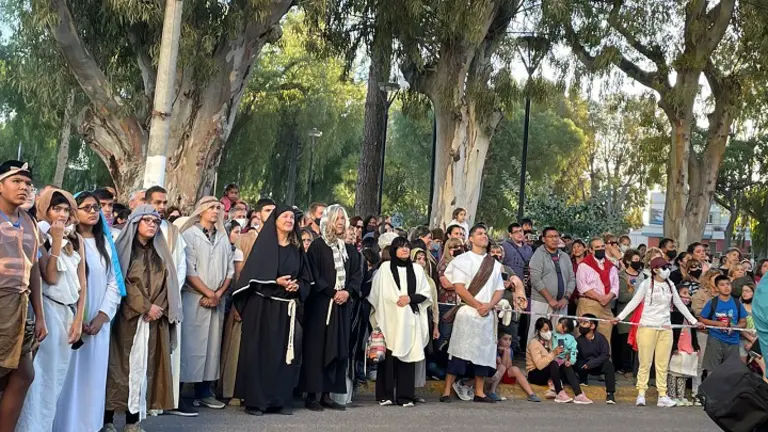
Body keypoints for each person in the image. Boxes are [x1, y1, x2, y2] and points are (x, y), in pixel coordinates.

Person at [104, 205, 181, 431]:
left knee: (143, 369)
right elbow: (122, 281)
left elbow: (169, 283)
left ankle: (132, 422)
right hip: (127, 320)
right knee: (118, 368)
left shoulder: (160, 252)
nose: (152, 225)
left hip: (153, 321)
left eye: (156, 221)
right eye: (147, 220)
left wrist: (158, 308)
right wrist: (145, 306)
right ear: (135, 222)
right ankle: (107, 420)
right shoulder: (124, 249)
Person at [16, 188, 87, 432]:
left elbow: (82, 283)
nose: (62, 215)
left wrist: (78, 319)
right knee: (40, 378)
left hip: (68, 313)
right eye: (56, 209)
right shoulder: (39, 233)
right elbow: (51, 276)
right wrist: (56, 241)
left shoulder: (75, 239)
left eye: (66, 209)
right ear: (45, 209)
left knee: (56, 379)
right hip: (48, 309)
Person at [53, 191, 124, 431]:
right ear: (75, 211)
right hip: (70, 320)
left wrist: (102, 316)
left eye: (96, 208)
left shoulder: (106, 243)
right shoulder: (68, 240)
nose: (93, 212)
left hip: (98, 322)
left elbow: (114, 282)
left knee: (92, 379)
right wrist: (77, 317)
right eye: (87, 207)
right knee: (67, 378)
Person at [231, 206, 312, 416]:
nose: (289, 220)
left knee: (283, 355)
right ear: (275, 220)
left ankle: (279, 400)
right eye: (285, 216)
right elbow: (252, 276)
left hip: (286, 309)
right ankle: (256, 402)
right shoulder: (264, 247)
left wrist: (297, 286)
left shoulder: (296, 249)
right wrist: (275, 281)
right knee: (260, 353)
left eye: (292, 217)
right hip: (263, 307)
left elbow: (306, 278)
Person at [613, 257, 702, 408]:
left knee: (662, 364)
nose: (666, 270)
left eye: (667, 267)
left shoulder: (670, 284)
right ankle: (641, 393)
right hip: (647, 326)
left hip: (665, 328)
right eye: (663, 268)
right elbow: (634, 302)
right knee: (645, 362)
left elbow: (679, 304)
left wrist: (693, 321)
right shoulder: (646, 284)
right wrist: (620, 317)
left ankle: (662, 395)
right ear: (655, 270)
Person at [0, 161, 46, 432]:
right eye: (16, 181)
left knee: (24, 374)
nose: (24, 187)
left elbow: (35, 270)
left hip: (21, 306)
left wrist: (40, 315)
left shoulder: (29, 222)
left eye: (27, 183)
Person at [302, 205, 362, 411]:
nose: (340, 223)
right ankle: (312, 395)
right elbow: (313, 274)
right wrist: (331, 292)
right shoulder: (318, 246)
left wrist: (347, 292)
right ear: (328, 221)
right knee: (317, 349)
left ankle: (327, 394)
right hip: (321, 305)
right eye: (337, 219)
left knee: (337, 348)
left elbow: (356, 275)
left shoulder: (349, 249)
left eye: (343, 219)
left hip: (341, 306)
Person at [439, 224, 505, 404]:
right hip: (468, 312)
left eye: (485, 234)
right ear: (471, 239)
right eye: (480, 233)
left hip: (486, 313)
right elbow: (459, 288)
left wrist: (489, 305)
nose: (484, 236)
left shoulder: (494, 264)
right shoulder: (462, 260)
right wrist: (477, 305)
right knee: (459, 350)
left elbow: (500, 289)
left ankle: (479, 392)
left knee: (483, 353)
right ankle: (446, 390)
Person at [178, 197, 233, 410]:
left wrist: (218, 294)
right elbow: (188, 268)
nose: (215, 211)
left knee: (211, 346)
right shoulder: (189, 235)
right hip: (195, 298)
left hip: (216, 299)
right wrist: (208, 293)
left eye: (218, 207)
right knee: (189, 345)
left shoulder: (223, 237)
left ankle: (204, 392)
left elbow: (229, 269)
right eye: (211, 207)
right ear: (201, 210)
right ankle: (179, 394)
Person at [368, 237, 432, 407]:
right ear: (393, 250)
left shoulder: (417, 269)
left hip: (409, 319)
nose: (404, 250)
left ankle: (405, 396)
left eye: (407, 247)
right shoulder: (385, 268)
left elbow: (425, 293)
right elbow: (376, 293)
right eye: (400, 247)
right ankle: (385, 395)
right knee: (388, 358)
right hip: (389, 318)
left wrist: (410, 298)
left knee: (408, 357)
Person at [145, 186, 192, 416]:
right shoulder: (140, 228)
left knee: (165, 353)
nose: (162, 207)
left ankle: (162, 401)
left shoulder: (173, 232)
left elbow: (180, 267)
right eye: (157, 202)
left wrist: (168, 294)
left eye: (164, 203)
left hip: (168, 301)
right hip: (143, 303)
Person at [527, 227, 576, 343]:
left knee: (559, 334)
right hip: (542, 301)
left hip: (562, 303)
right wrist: (550, 299)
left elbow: (572, 279)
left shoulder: (564, 256)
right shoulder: (538, 255)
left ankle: (555, 355)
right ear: (544, 239)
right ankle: (533, 355)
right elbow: (535, 279)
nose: (554, 239)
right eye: (550, 237)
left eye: (556, 236)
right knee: (537, 333)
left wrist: (566, 297)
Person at [525, 317, 587, 403]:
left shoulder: (551, 340)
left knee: (565, 365)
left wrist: (567, 358)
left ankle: (578, 394)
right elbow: (539, 365)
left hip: (549, 371)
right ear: (539, 330)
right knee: (554, 363)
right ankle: (559, 393)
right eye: (545, 330)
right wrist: (553, 353)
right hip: (535, 374)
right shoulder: (534, 343)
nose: (548, 332)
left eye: (550, 330)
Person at [575, 237, 618, 347]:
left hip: (606, 305)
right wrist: (599, 298)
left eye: (602, 246)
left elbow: (615, 285)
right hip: (588, 303)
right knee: (585, 336)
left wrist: (608, 297)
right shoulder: (584, 265)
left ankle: (604, 357)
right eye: (597, 247)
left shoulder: (611, 266)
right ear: (590, 250)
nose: (600, 249)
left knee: (605, 339)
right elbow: (582, 287)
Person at [699, 275, 748, 374]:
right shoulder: (712, 302)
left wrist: (735, 327)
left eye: (728, 284)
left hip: (733, 341)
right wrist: (717, 323)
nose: (726, 287)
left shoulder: (737, 303)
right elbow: (701, 318)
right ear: (717, 288)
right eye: (722, 285)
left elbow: (743, 322)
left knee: (731, 371)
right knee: (712, 370)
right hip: (715, 339)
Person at [668, 283, 700, 406]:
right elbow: (672, 332)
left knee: (683, 372)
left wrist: (695, 346)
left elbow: (693, 331)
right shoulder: (673, 313)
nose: (688, 297)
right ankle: (672, 395)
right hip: (678, 345)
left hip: (688, 345)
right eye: (684, 293)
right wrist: (673, 346)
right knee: (673, 371)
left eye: (689, 294)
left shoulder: (690, 312)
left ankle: (681, 396)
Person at [489, 330, 541, 402]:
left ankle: (531, 394)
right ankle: (492, 391)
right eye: (505, 339)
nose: (508, 342)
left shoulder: (510, 350)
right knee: (502, 367)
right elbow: (502, 365)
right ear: (498, 340)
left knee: (515, 369)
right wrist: (505, 352)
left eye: (510, 340)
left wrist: (506, 351)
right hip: (495, 375)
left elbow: (509, 366)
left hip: (505, 376)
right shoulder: (495, 350)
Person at [576, 314, 617, 404]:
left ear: (592, 326)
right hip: (584, 366)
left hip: (597, 365)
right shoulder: (578, 340)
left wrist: (591, 364)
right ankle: (583, 379)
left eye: (585, 323)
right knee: (576, 362)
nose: (581, 325)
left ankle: (610, 394)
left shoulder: (601, 338)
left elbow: (605, 355)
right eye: (581, 323)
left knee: (608, 365)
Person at [615, 249, 644, 374]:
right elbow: (622, 297)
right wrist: (637, 295)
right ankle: (625, 368)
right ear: (627, 261)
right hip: (626, 315)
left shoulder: (644, 276)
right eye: (635, 260)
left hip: (640, 315)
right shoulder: (621, 276)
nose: (638, 262)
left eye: (639, 260)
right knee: (625, 344)